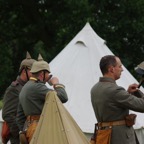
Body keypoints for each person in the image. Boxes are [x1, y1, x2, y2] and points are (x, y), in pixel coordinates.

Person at [91, 55, 144, 144]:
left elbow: (112, 106)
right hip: (120, 139)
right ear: (111, 69)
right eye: (119, 66)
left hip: (105, 136)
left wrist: (128, 93)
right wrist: (137, 93)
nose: (122, 69)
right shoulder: (115, 91)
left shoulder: (95, 88)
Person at [16, 54, 68, 143]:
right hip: (40, 129)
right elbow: (63, 97)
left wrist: (25, 131)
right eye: (47, 74)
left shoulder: (26, 87)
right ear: (41, 74)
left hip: (29, 129)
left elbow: (20, 117)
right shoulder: (38, 87)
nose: (49, 76)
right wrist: (56, 84)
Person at [2, 52, 36, 144]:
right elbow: (7, 114)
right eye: (32, 71)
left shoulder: (30, 87)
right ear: (24, 71)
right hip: (20, 138)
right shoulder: (14, 89)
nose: (35, 74)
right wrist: (21, 132)